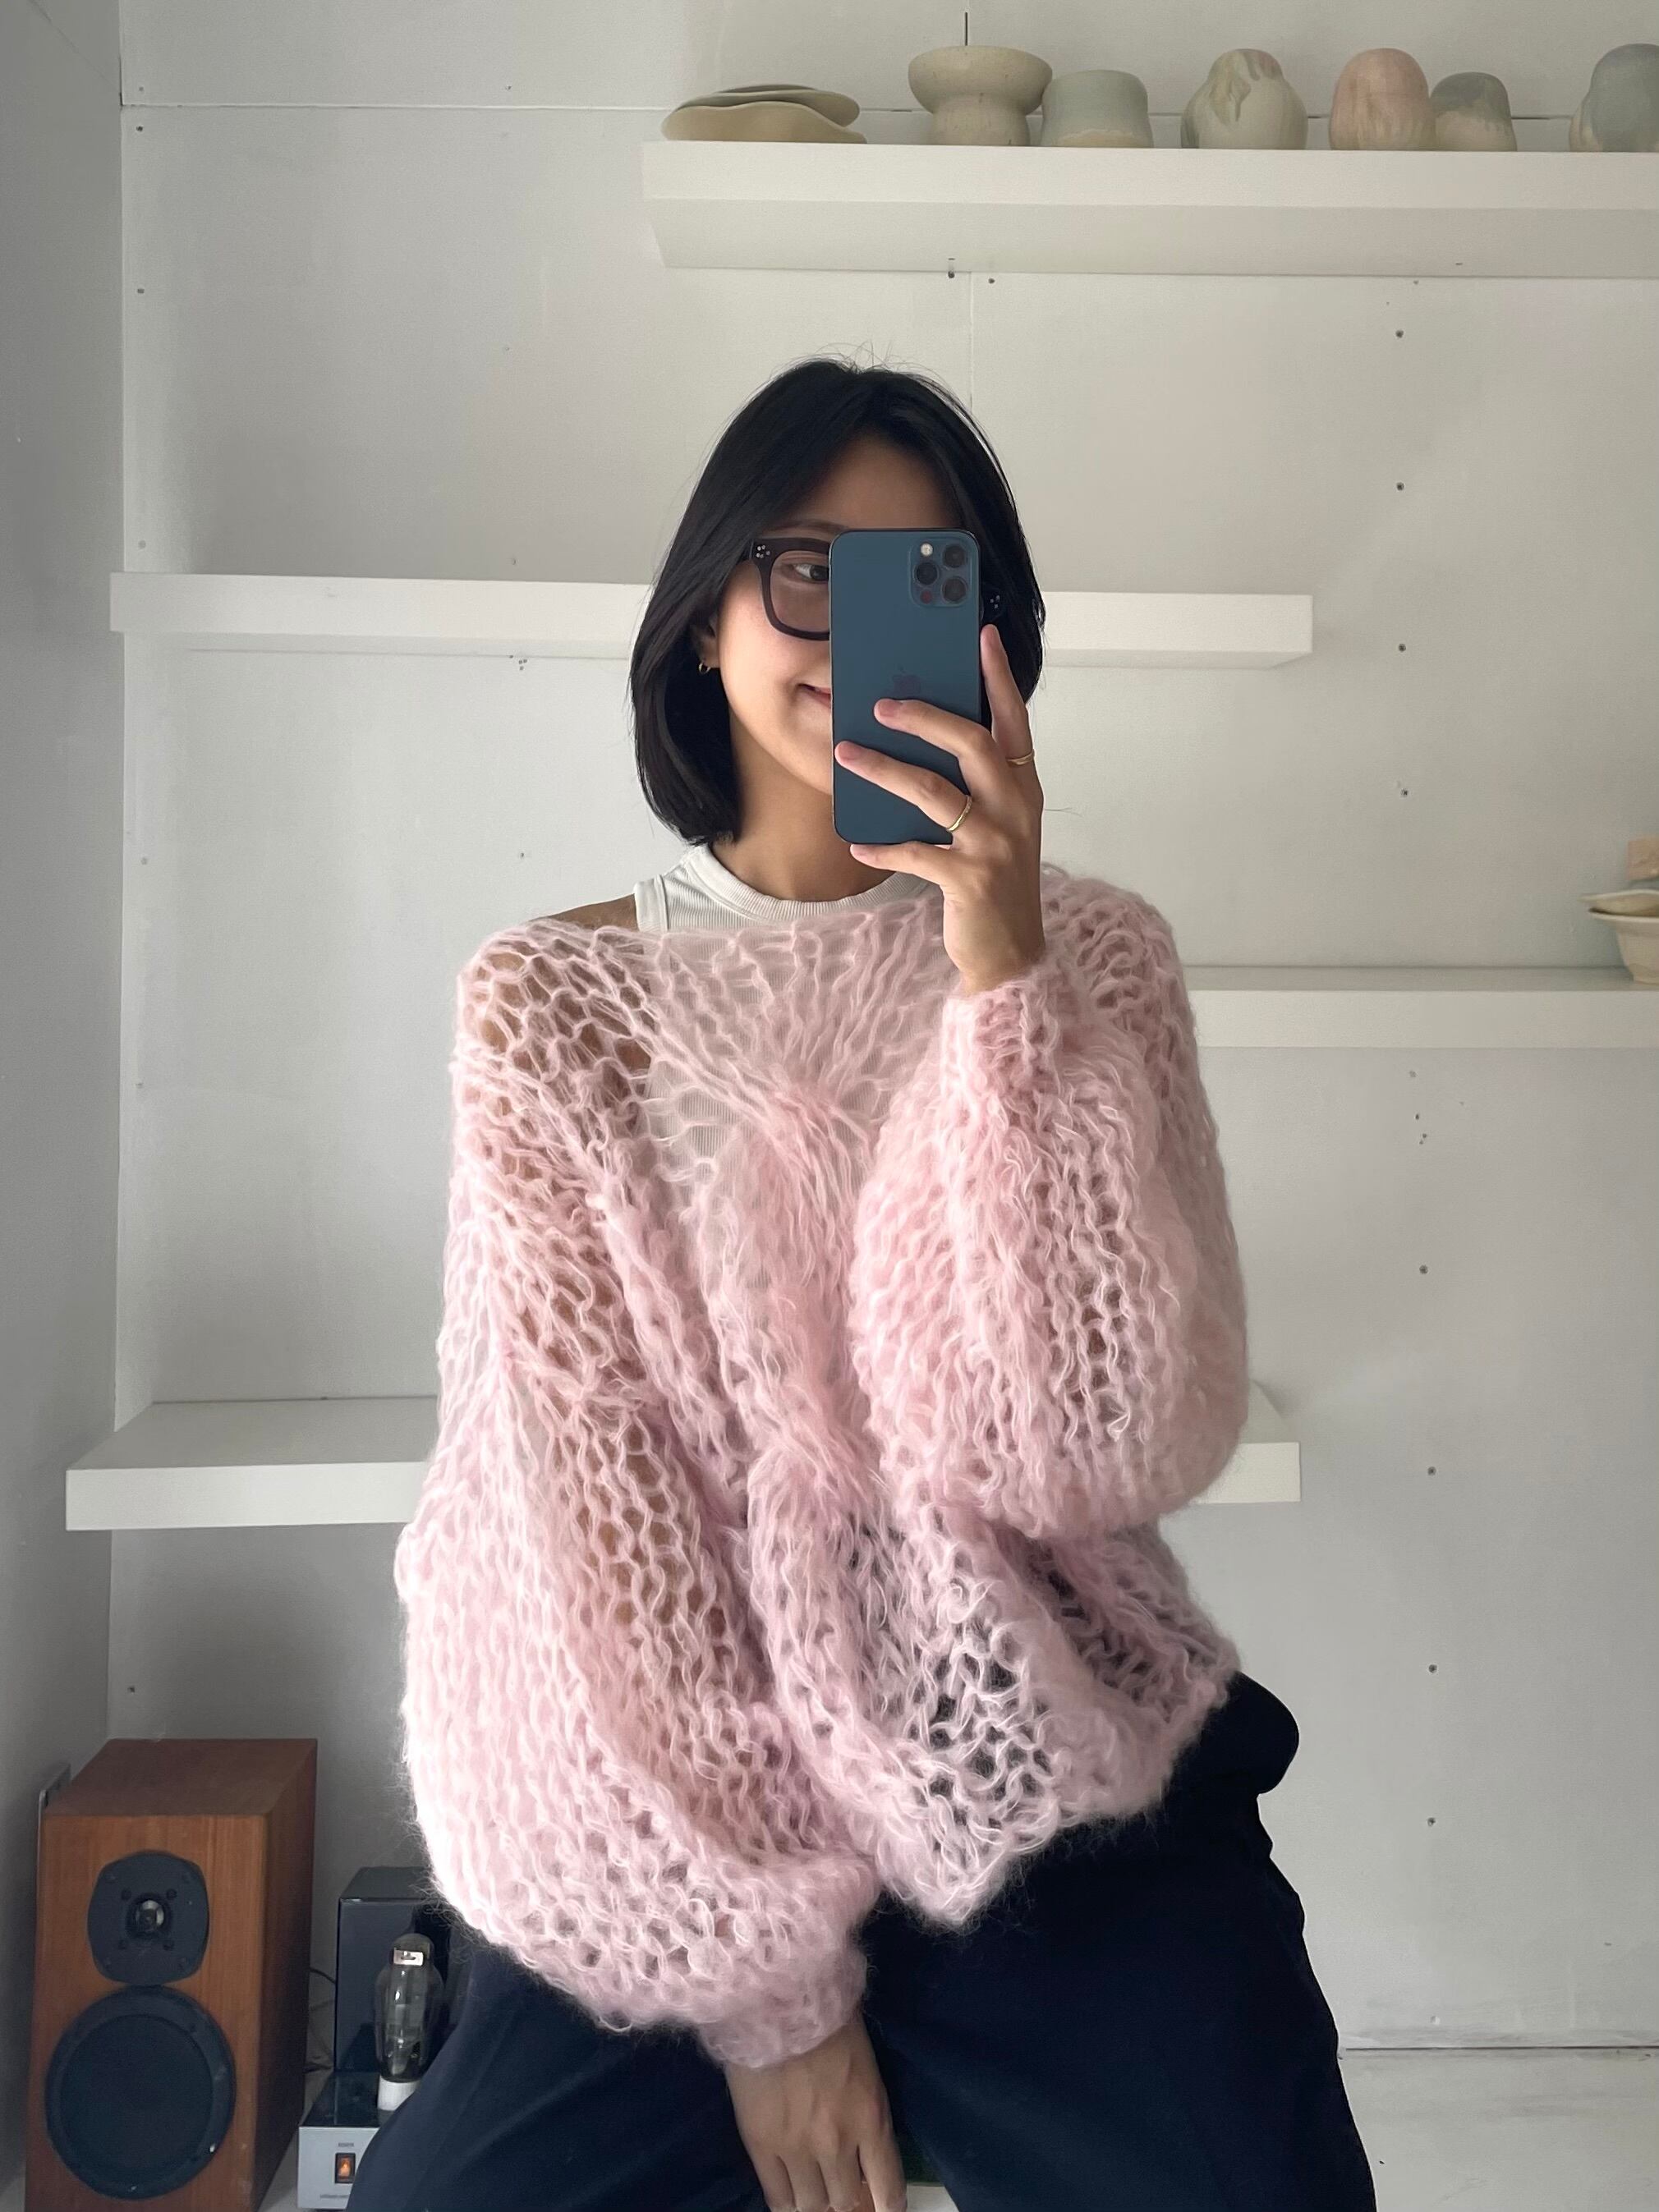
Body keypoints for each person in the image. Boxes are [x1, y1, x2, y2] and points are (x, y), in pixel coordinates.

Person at [350, 356, 1376, 2212]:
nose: (850, 628)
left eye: (924, 574)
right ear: (708, 615)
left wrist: (1005, 983)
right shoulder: (552, 1006)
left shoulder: (1097, 963)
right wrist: (771, 2005)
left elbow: (1094, 1449)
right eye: (806, 569)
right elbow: (584, 1523)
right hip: (683, 1814)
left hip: (1036, 1764)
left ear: (990, 630)